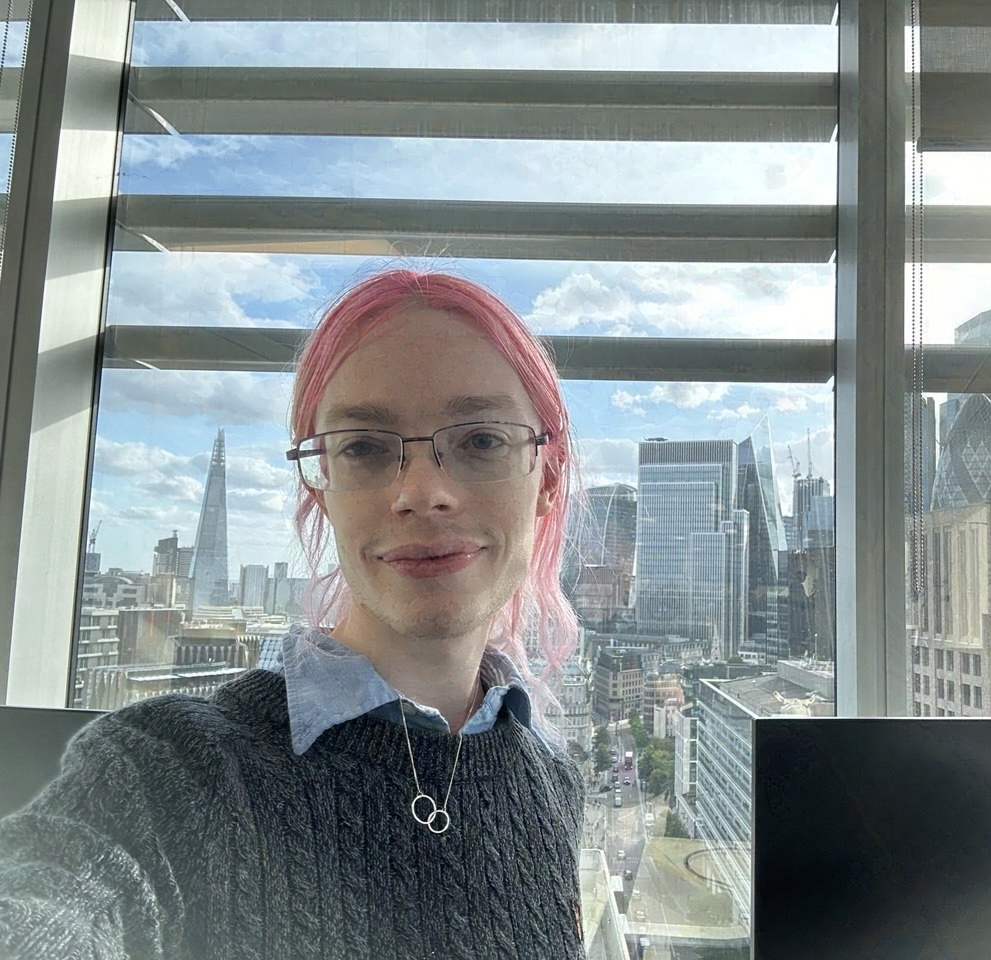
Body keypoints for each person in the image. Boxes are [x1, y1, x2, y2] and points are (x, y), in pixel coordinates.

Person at [0, 269, 587, 959]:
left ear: (547, 479)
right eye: (364, 447)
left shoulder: (553, 783)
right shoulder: (167, 772)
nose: (422, 492)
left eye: (482, 440)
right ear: (322, 488)